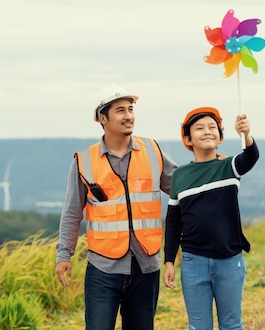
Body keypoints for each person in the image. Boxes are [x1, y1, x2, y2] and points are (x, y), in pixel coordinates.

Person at [55, 84, 178, 330]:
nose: (128, 116)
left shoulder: (153, 151)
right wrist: (63, 254)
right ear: (103, 118)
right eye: (120, 110)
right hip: (103, 269)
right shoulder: (84, 161)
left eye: (131, 109)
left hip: (146, 265)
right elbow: (71, 212)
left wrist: (212, 167)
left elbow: (184, 187)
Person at [163, 107, 259, 330]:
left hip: (229, 261)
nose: (207, 131)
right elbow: (173, 222)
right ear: (188, 139)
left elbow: (251, 156)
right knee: (198, 327)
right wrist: (169, 260)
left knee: (231, 324)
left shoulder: (229, 166)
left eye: (212, 127)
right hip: (192, 262)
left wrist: (246, 134)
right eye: (199, 128)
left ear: (221, 136)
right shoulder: (180, 175)